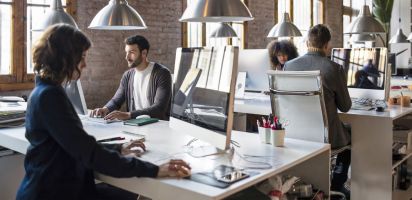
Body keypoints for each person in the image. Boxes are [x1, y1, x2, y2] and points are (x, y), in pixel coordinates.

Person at [16, 24, 190, 200]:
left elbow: (78, 146)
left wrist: (119, 148)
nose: (84, 64)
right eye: (82, 56)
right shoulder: (50, 96)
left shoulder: (44, 91)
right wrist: (155, 169)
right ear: (66, 57)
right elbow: (89, 153)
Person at [283, 24, 352, 198]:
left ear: (307, 42)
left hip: (294, 134)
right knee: (352, 132)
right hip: (325, 137)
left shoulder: (288, 66)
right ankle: (338, 182)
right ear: (327, 45)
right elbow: (345, 106)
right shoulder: (334, 68)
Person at [91, 35, 172, 120]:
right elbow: (116, 101)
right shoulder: (128, 76)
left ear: (144, 53)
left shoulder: (162, 73)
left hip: (157, 127)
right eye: (126, 52)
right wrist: (105, 109)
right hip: (134, 126)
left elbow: (159, 108)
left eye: (132, 52)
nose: (127, 57)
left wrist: (128, 115)